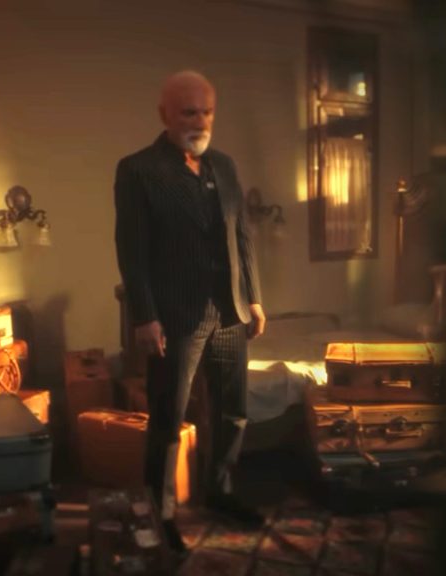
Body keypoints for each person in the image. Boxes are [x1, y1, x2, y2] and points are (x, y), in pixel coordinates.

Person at [115, 70, 266, 551]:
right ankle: (160, 514)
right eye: (188, 112)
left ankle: (220, 492)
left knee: (233, 412)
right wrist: (144, 316)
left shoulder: (224, 165)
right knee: (168, 419)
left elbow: (242, 234)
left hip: (230, 312)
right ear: (165, 115)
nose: (199, 121)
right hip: (175, 316)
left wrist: (254, 297)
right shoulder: (138, 170)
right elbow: (132, 250)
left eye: (206, 112)